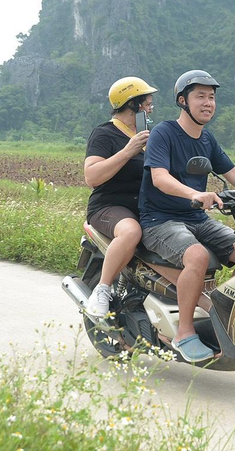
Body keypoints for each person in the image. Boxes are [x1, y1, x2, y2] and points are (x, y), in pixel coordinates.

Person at [138, 69, 235, 362]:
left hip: (197, 219)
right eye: (200, 96)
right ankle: (184, 332)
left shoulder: (207, 140)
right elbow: (159, 177)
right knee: (197, 256)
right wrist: (194, 194)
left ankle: (224, 313)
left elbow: (233, 173)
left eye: (212, 97)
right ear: (183, 101)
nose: (208, 103)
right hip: (160, 219)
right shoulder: (164, 133)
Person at [84, 76, 157, 317]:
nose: (150, 108)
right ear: (132, 105)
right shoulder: (105, 134)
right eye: (146, 103)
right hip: (109, 206)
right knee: (131, 231)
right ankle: (103, 289)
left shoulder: (149, 136)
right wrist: (127, 151)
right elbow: (92, 176)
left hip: (144, 207)